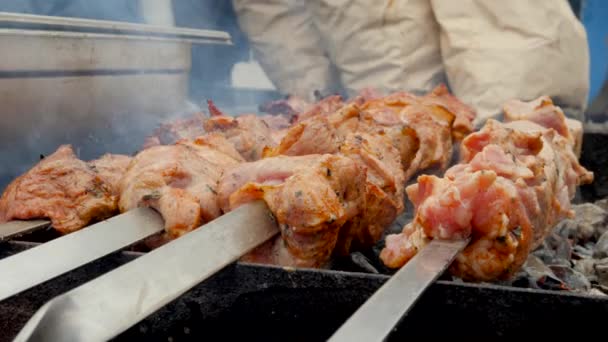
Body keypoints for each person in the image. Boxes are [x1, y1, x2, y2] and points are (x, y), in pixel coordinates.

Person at [232, 0, 590, 125]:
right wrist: (316, 96)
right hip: (386, 87)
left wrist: (510, 113)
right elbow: (271, 7)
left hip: (519, 67)